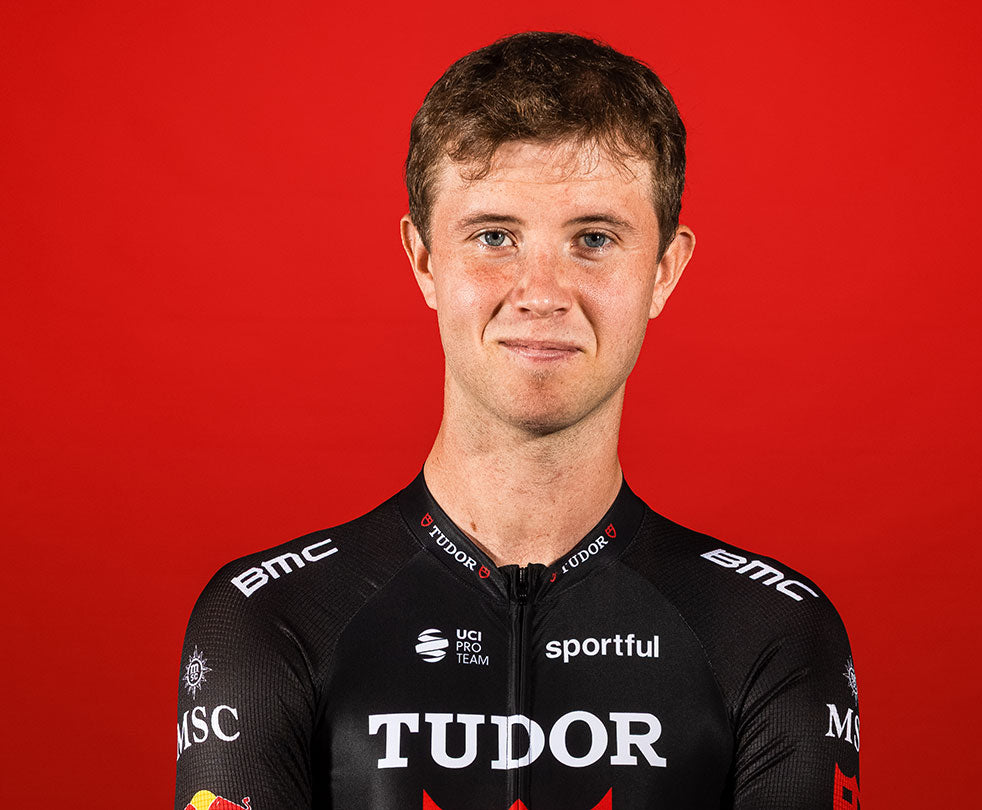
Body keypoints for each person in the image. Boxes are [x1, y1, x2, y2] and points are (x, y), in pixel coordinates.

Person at [175, 31, 861, 810]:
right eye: (494, 236)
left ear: (664, 270)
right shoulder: (269, 617)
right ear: (424, 261)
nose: (541, 293)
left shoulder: (769, 630)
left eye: (594, 239)